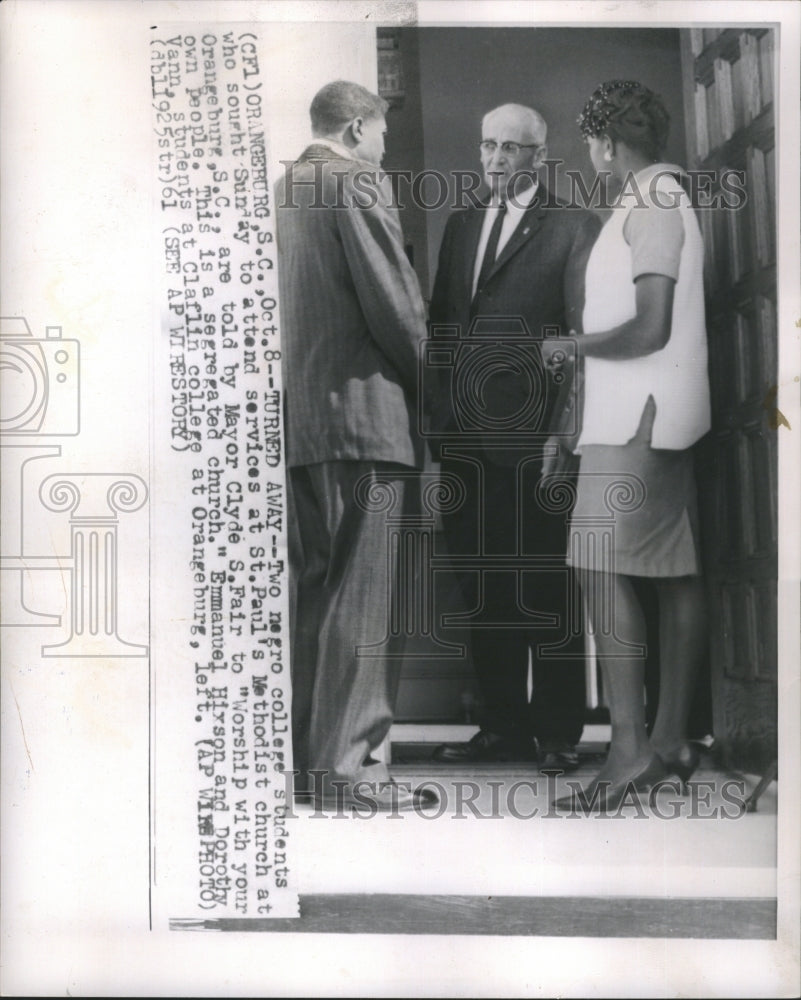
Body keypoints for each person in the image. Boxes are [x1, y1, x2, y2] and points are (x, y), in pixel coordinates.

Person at [543, 80, 712, 810]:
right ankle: (669, 740)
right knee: (673, 574)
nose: (591, 153)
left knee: (596, 568)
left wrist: (568, 345)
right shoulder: (656, 201)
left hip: (637, 420)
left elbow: (649, 327)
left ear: (608, 141)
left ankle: (625, 752)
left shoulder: (651, 202)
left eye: (591, 141)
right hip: (647, 416)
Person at [276, 80, 435, 811]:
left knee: (317, 591)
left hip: (307, 426)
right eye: (379, 137)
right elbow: (395, 306)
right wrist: (430, 388)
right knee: (364, 595)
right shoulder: (353, 182)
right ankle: (349, 770)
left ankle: (313, 768)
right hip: (369, 421)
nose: (382, 151)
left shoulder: (290, 188)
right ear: (355, 129)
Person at [428, 104, 601, 768]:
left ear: (537, 157)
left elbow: (579, 340)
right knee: (483, 586)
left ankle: (557, 733)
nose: (495, 158)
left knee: (545, 588)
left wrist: (563, 433)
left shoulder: (572, 226)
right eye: (486, 146)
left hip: (536, 441)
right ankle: (501, 726)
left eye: (510, 148)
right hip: (465, 442)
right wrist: (440, 437)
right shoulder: (461, 225)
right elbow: (443, 332)